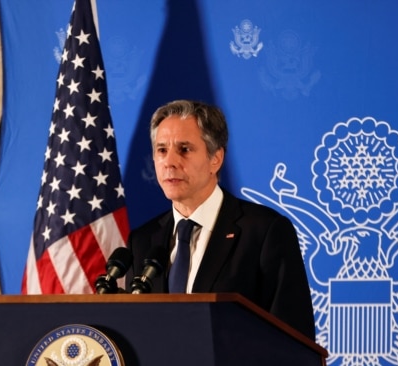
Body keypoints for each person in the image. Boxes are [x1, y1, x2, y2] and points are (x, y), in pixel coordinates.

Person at [125, 99, 316, 340]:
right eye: (161, 150)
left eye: (184, 149)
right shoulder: (141, 241)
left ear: (215, 158)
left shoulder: (264, 232)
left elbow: (294, 339)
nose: (170, 162)